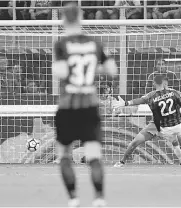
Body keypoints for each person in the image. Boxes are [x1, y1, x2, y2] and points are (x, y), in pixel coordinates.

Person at [53, 3, 117, 207]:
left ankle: (73, 198)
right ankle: (98, 198)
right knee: (93, 155)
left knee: (64, 154)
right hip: (90, 106)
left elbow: (61, 72)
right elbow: (112, 70)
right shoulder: (95, 43)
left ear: (64, 19)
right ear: (81, 17)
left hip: (67, 106)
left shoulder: (62, 44)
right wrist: (93, 70)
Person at [113, 76, 181, 169]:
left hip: (158, 125)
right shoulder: (174, 92)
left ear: (154, 83)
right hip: (169, 125)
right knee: (177, 142)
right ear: (164, 83)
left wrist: (125, 103)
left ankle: (121, 162)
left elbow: (139, 100)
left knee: (135, 142)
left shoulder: (151, 95)